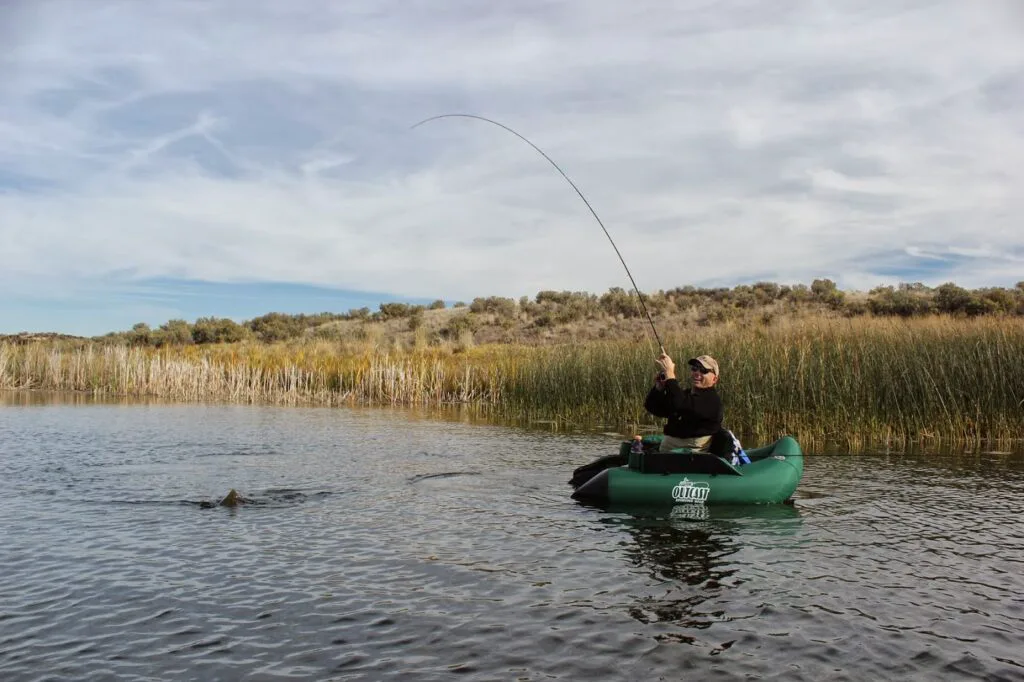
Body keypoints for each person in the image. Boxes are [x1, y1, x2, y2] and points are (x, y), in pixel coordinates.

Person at [644, 353, 723, 452]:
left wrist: (670, 375)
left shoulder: (713, 401)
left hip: (690, 459)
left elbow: (680, 404)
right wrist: (658, 388)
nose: (697, 373)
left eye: (704, 371)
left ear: (714, 379)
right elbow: (653, 407)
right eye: (694, 368)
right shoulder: (685, 395)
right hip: (667, 453)